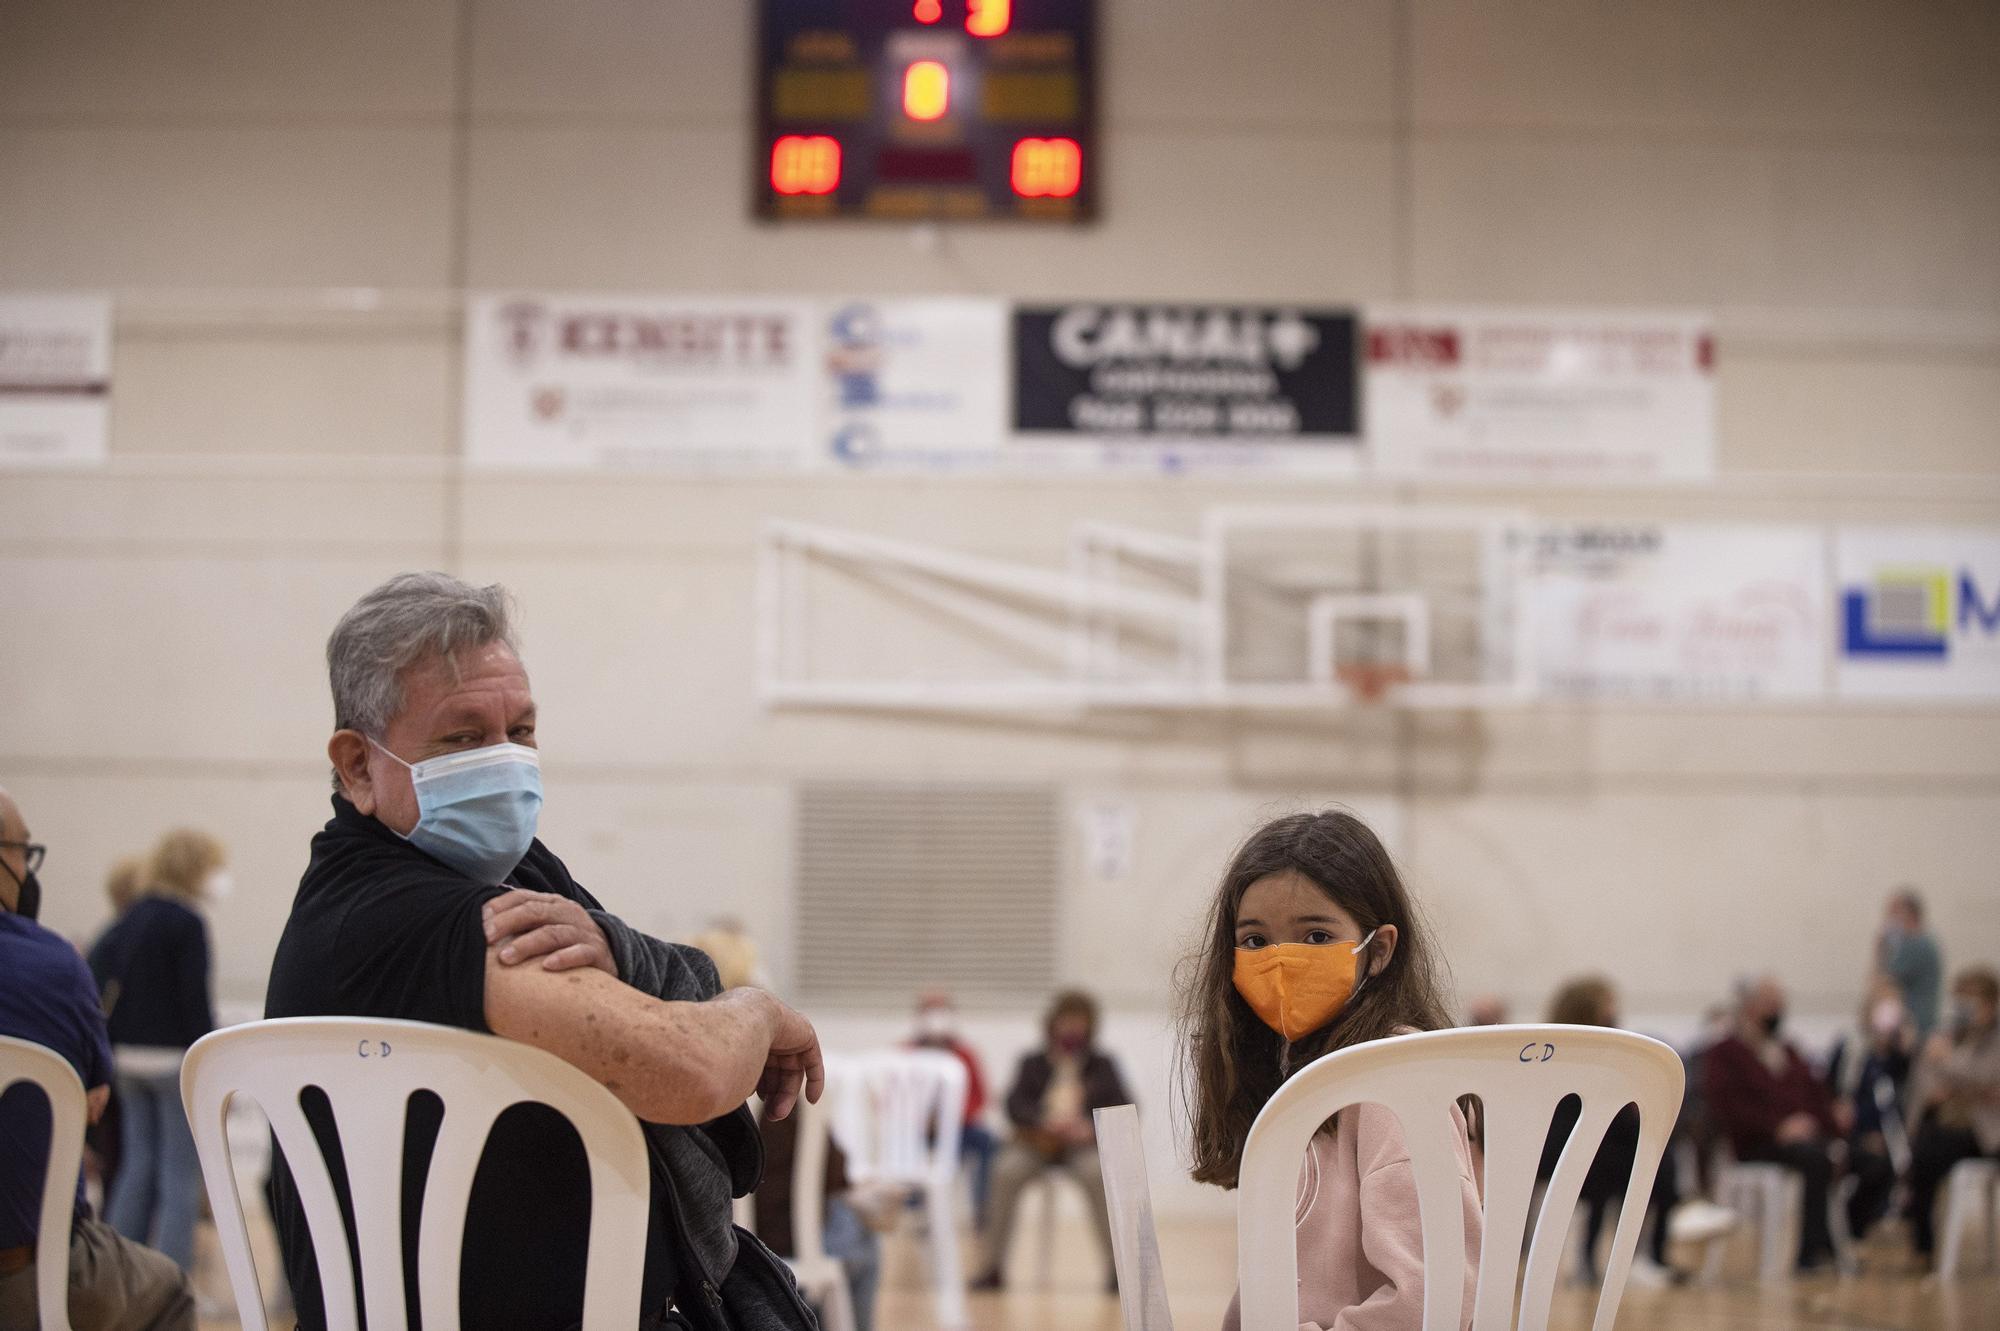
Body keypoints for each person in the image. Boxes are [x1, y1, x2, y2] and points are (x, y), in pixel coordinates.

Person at [264, 572, 824, 1331]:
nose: (502, 760)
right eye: (462, 737)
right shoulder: (406, 912)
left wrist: (628, 956)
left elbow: (645, 971)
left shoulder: (514, 871)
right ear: (358, 765)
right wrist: (754, 1007)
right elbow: (690, 1068)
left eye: (520, 732)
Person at [1178, 810, 1480, 1331]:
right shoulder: (1290, 1071)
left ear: (1379, 949)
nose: (1280, 960)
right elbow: (1272, 1286)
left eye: (1316, 936)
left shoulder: (1397, 1077)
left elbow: (1436, 1296)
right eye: (1255, 940)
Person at [0, 785, 194, 1331]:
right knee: (169, 1282)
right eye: (23, 852)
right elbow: (83, 1106)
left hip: (130, 1058)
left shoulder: (120, 928)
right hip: (24, 1276)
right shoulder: (54, 962)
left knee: (135, 1168)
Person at [89, 829, 223, 1278]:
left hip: (127, 1059)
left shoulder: (131, 916)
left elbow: (98, 975)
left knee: (134, 1168)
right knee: (178, 1174)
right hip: (171, 1062)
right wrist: (212, 1060)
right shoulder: (187, 921)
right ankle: (171, 1284)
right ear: (194, 868)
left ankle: (115, 1276)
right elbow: (193, 1000)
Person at [971, 989, 1131, 1293]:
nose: (1071, 1027)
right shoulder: (1032, 1062)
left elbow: (1123, 1105)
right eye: (1066, 1020)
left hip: (1081, 1148)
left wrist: (1089, 1126)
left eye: (1079, 1020)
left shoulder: (1103, 1065)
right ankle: (991, 1267)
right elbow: (1014, 1105)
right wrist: (1042, 1122)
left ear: (1089, 1025)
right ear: (1053, 1023)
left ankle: (1117, 1271)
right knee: (1004, 1170)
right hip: (1035, 1145)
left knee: (1099, 1176)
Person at [1536, 976, 1684, 1283]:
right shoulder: (1559, 1049)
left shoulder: (1611, 1048)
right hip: (1565, 1144)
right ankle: (1600, 1258)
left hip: (1601, 1138)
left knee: (1660, 1161)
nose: (1613, 1011)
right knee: (1612, 1166)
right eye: (1608, 1004)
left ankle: (1650, 1254)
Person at [1703, 976, 1851, 1272]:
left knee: (1860, 1157)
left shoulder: (1788, 1051)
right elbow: (1727, 1107)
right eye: (1770, 1005)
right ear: (1749, 1007)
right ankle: (1811, 1253)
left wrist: (1833, 1117)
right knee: (1815, 1159)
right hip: (1756, 1143)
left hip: (1802, 1140)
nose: (1776, 1012)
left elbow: (1815, 1095)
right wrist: (1777, 1128)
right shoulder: (1724, 1053)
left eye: (1780, 1005)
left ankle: (1841, 1240)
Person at [1902, 966, 2000, 1267]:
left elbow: (1985, 1074)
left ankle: (1920, 1239)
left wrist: (1949, 1064)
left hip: (1986, 1131)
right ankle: (1923, 1245)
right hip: (1947, 1124)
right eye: (1961, 1000)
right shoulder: (1948, 1035)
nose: (1965, 1009)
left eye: (1973, 1001)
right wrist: (1964, 1085)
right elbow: (1926, 1085)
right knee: (1922, 1153)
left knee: (1929, 1149)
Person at [908, 990, 998, 1225]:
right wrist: (924, 1121)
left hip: (961, 1129)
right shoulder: (906, 1054)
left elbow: (980, 1098)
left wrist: (952, 1118)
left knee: (989, 1142)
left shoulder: (965, 1054)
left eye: (941, 1010)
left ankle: (982, 1211)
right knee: (905, 1148)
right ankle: (914, 1208)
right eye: (930, 1010)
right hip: (919, 1132)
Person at [1878, 887, 1944, 1037]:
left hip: (1915, 1026)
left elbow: (1885, 981)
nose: (1889, 918)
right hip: (1920, 1022)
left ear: (1909, 914)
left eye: (1894, 912)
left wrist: (1880, 948)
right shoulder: (1926, 940)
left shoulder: (1915, 943)